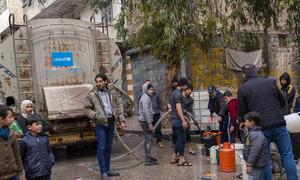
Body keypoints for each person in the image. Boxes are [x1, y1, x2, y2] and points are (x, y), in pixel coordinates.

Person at [238, 64, 298, 180]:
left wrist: (242, 122)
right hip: (279, 123)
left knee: (265, 160)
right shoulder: (270, 82)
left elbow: (243, 112)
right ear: (256, 72)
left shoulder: (243, 88)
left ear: (244, 74)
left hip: (261, 128)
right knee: (287, 155)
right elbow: (282, 102)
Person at [84, 73, 126, 179]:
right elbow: (86, 109)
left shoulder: (112, 92)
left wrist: (121, 120)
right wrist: (96, 116)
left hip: (111, 123)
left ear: (105, 81)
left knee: (108, 147)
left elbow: (118, 105)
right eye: (97, 81)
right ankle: (103, 172)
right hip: (100, 124)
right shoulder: (91, 94)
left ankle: (107, 170)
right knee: (101, 147)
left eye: (100, 81)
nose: (98, 83)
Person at [19, 114, 55, 180]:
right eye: (37, 124)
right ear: (29, 127)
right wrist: (27, 168)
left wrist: (51, 161)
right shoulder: (24, 141)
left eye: (41, 124)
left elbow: (49, 151)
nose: (40, 126)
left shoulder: (44, 138)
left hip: (46, 172)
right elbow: (21, 157)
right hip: (32, 174)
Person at [169, 77, 192, 166]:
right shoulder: (178, 94)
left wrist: (184, 117)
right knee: (182, 140)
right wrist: (183, 120)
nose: (186, 87)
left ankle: (174, 157)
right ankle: (181, 159)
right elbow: (178, 108)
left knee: (179, 139)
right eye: (186, 85)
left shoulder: (173, 93)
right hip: (178, 120)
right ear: (183, 85)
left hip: (175, 119)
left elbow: (175, 108)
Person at [0, 104, 24, 180]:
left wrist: (20, 171)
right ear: (1, 119)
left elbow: (17, 154)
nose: (13, 119)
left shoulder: (12, 134)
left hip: (13, 175)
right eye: (10, 117)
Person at [242, 111, 268, 180]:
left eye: (246, 121)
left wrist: (250, 164)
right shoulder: (251, 133)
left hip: (257, 165)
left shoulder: (256, 135)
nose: (244, 123)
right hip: (254, 164)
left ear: (252, 123)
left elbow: (255, 151)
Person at [138, 83, 158, 166]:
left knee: (148, 140)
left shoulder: (145, 97)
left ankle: (148, 156)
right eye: (150, 90)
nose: (152, 91)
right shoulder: (145, 98)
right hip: (145, 122)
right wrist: (150, 123)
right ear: (146, 90)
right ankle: (147, 159)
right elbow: (146, 111)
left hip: (145, 121)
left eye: (152, 89)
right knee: (148, 140)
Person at [183, 83, 196, 155]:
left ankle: (190, 149)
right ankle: (179, 152)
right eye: (189, 89)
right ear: (185, 89)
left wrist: (193, 119)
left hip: (187, 119)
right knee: (179, 136)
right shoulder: (180, 97)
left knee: (188, 134)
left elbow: (190, 111)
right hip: (178, 118)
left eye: (191, 90)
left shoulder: (190, 100)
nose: (190, 91)